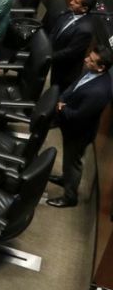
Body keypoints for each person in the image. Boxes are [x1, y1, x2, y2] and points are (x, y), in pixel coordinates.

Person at [48, 47, 113, 208]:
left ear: (101, 67)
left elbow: (78, 116)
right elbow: (73, 87)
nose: (85, 60)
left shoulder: (99, 91)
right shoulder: (90, 72)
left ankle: (70, 197)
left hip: (79, 133)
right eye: (88, 57)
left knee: (73, 162)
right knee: (69, 160)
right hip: (70, 126)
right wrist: (61, 99)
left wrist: (61, 108)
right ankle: (65, 178)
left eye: (91, 60)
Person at [48, 0, 98, 92]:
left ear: (84, 9)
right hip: (55, 59)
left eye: (76, 2)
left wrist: (49, 57)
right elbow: (55, 30)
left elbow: (70, 52)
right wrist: (47, 47)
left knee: (55, 92)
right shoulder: (69, 12)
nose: (71, 2)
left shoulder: (85, 30)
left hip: (65, 71)